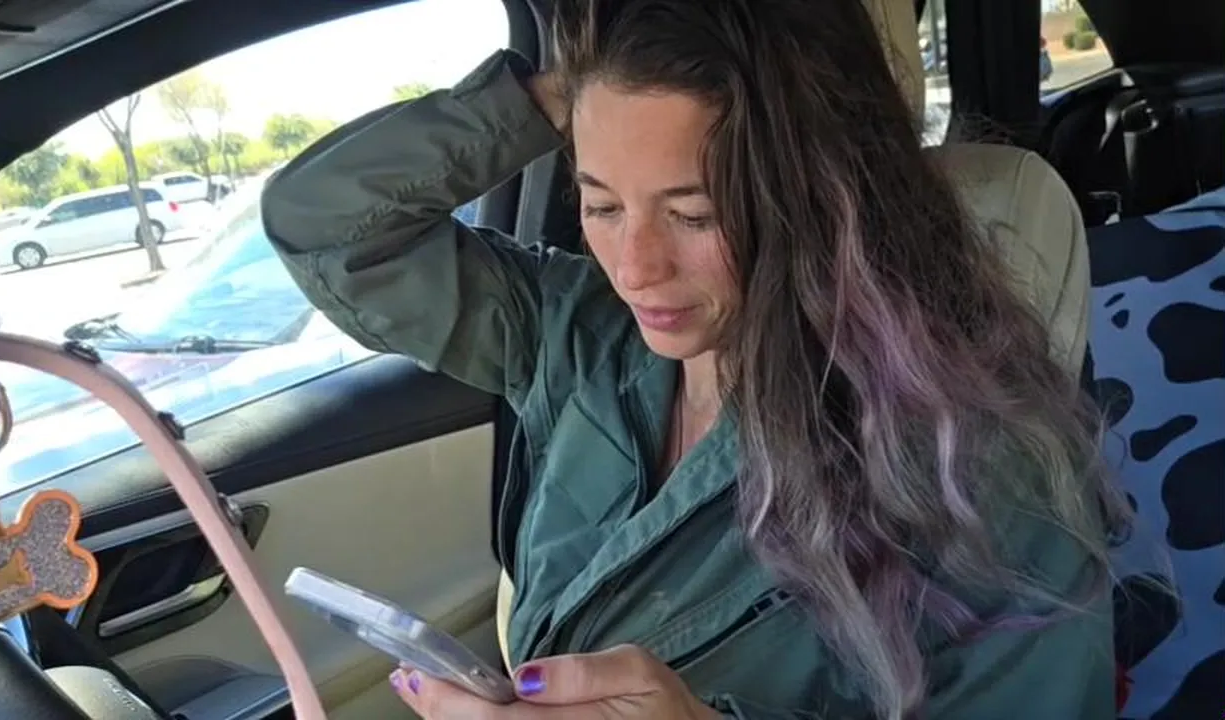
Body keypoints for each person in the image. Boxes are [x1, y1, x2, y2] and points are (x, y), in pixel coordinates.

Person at [261, 0, 1130, 717]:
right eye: (603, 206)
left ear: (821, 199)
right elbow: (326, 227)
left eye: (694, 214)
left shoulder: (982, 465)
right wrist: (571, 91)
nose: (636, 269)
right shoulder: (573, 334)